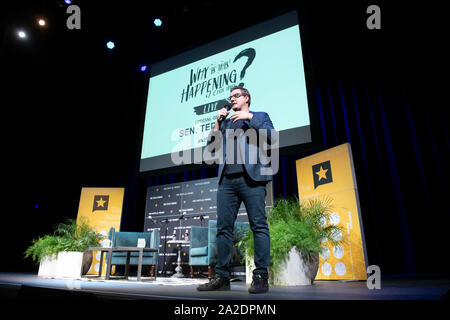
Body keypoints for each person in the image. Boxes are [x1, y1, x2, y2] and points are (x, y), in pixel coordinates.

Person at [197, 86, 277, 294]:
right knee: (224, 229)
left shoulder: (259, 116)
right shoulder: (225, 122)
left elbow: (271, 137)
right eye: (230, 97)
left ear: (247, 98)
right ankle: (222, 277)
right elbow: (211, 149)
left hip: (252, 178)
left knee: (258, 225)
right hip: (227, 181)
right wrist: (217, 122)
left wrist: (249, 116)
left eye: (236, 96)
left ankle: (260, 276)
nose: (232, 99)